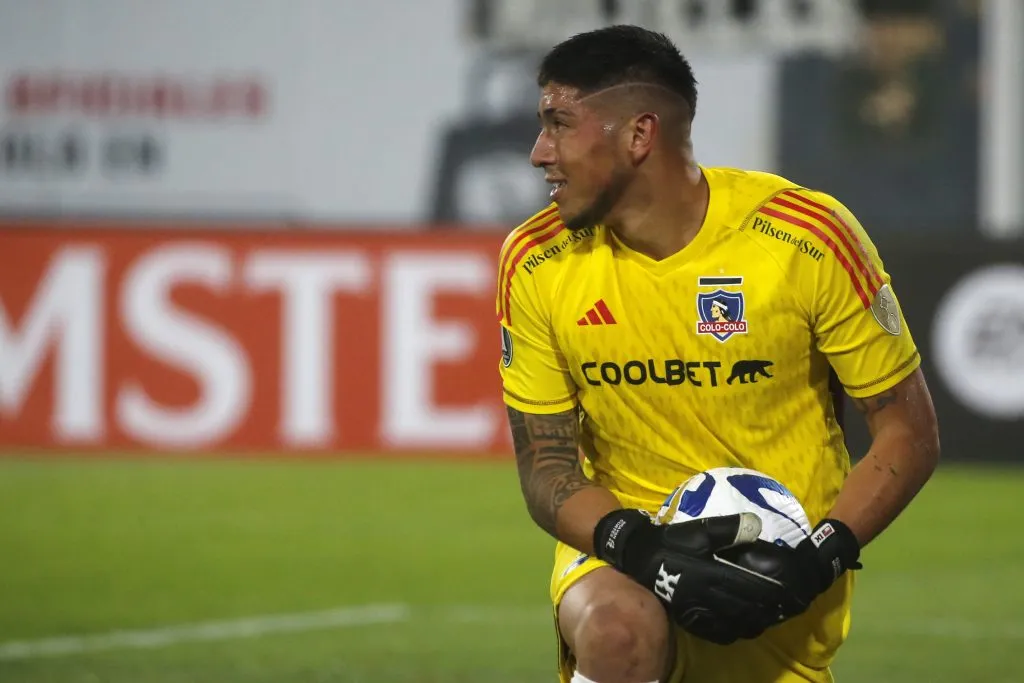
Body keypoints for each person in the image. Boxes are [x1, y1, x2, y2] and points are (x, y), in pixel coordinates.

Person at [496, 25, 940, 683]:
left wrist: (820, 558)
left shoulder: (806, 240)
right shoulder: (536, 260)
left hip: (785, 579)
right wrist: (640, 549)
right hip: (629, 558)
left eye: (559, 125)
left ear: (639, 135)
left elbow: (909, 431)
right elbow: (547, 464)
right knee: (618, 630)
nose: (539, 153)